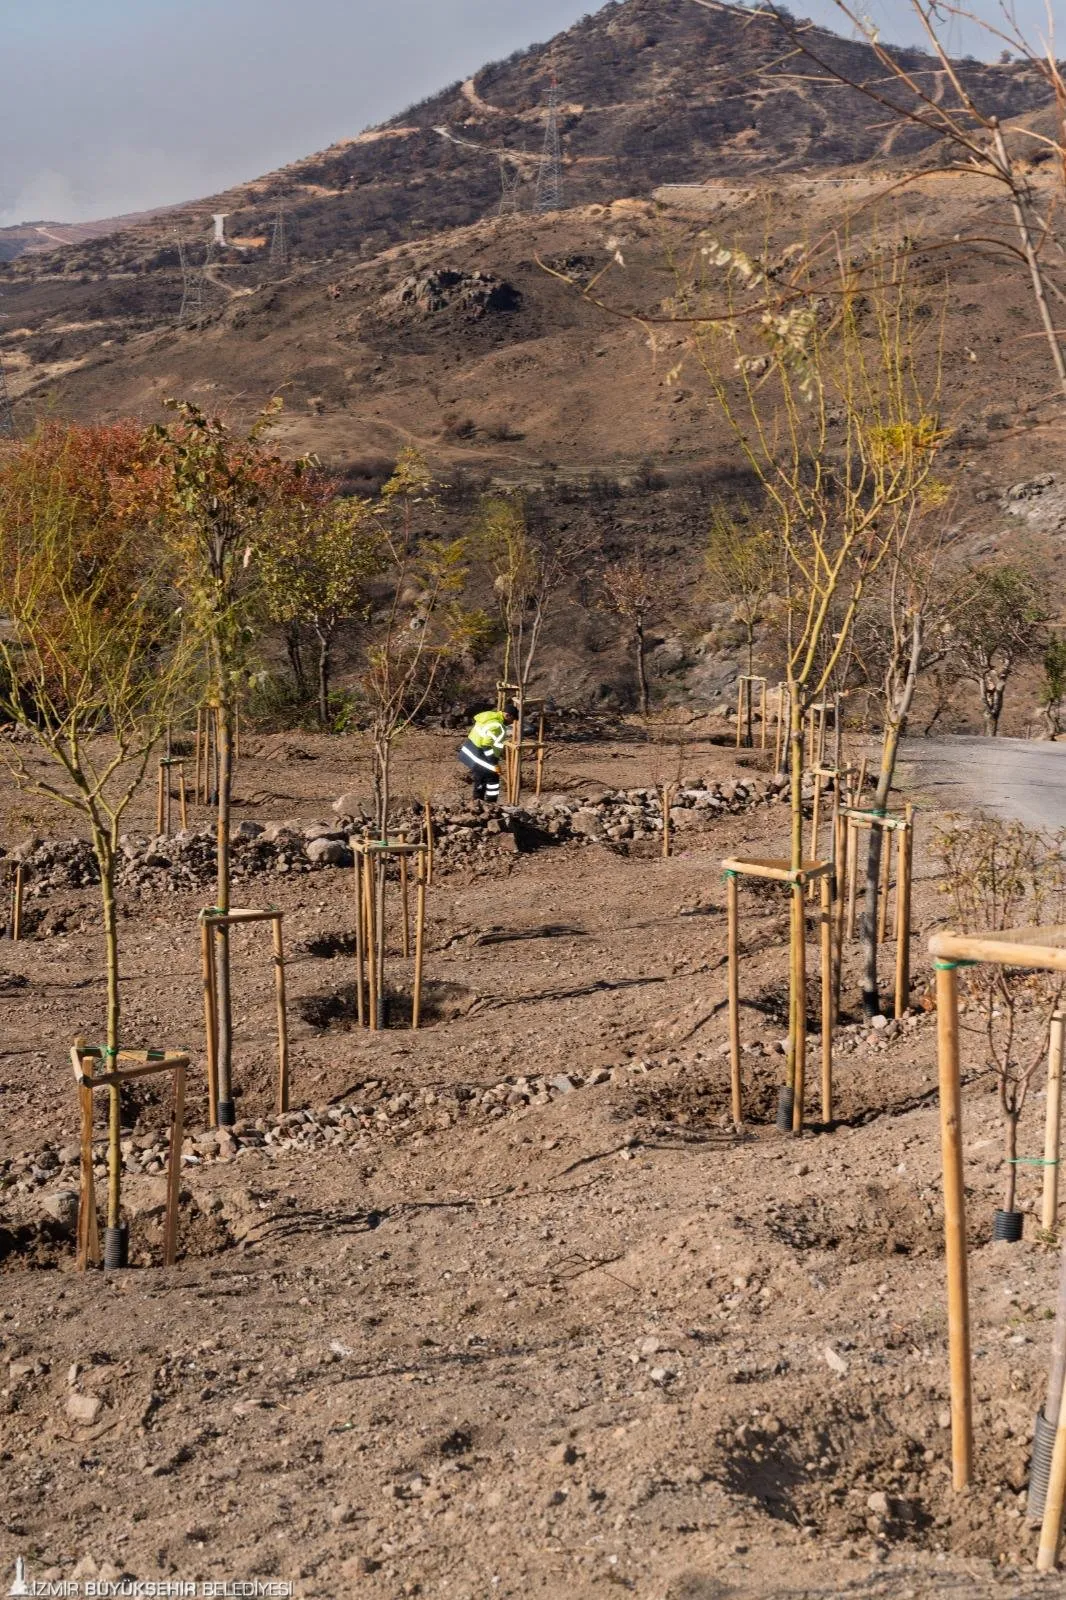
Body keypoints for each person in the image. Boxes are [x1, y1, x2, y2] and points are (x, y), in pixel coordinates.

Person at [458, 701, 518, 802]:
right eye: (513, 719)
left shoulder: (491, 716)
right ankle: (487, 804)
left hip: (470, 749)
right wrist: (493, 763)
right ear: (507, 715)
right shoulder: (497, 725)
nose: (513, 722)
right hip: (476, 753)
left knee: (487, 775)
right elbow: (486, 744)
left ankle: (481, 803)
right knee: (490, 775)